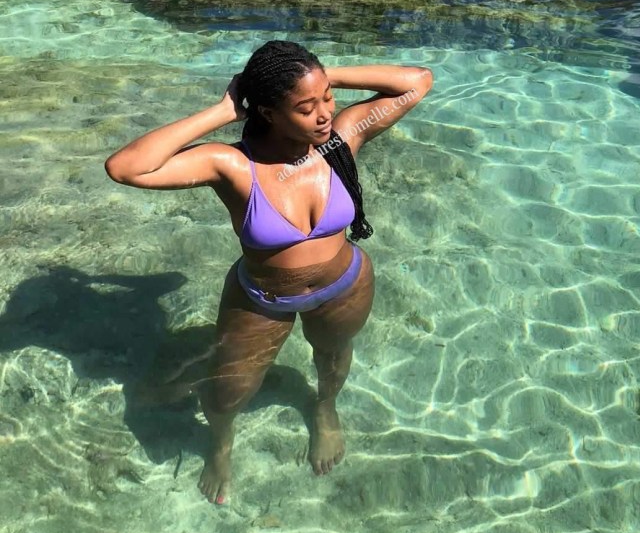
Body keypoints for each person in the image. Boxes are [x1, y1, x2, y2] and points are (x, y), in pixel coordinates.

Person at [104, 40, 434, 504]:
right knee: (228, 391)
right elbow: (126, 168)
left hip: (345, 285)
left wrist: (322, 78)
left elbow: (417, 81)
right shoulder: (234, 165)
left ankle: (324, 408)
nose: (324, 115)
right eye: (305, 108)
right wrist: (223, 110)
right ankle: (220, 444)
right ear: (267, 112)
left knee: (332, 355)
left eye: (328, 100)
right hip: (263, 301)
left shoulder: (339, 140)